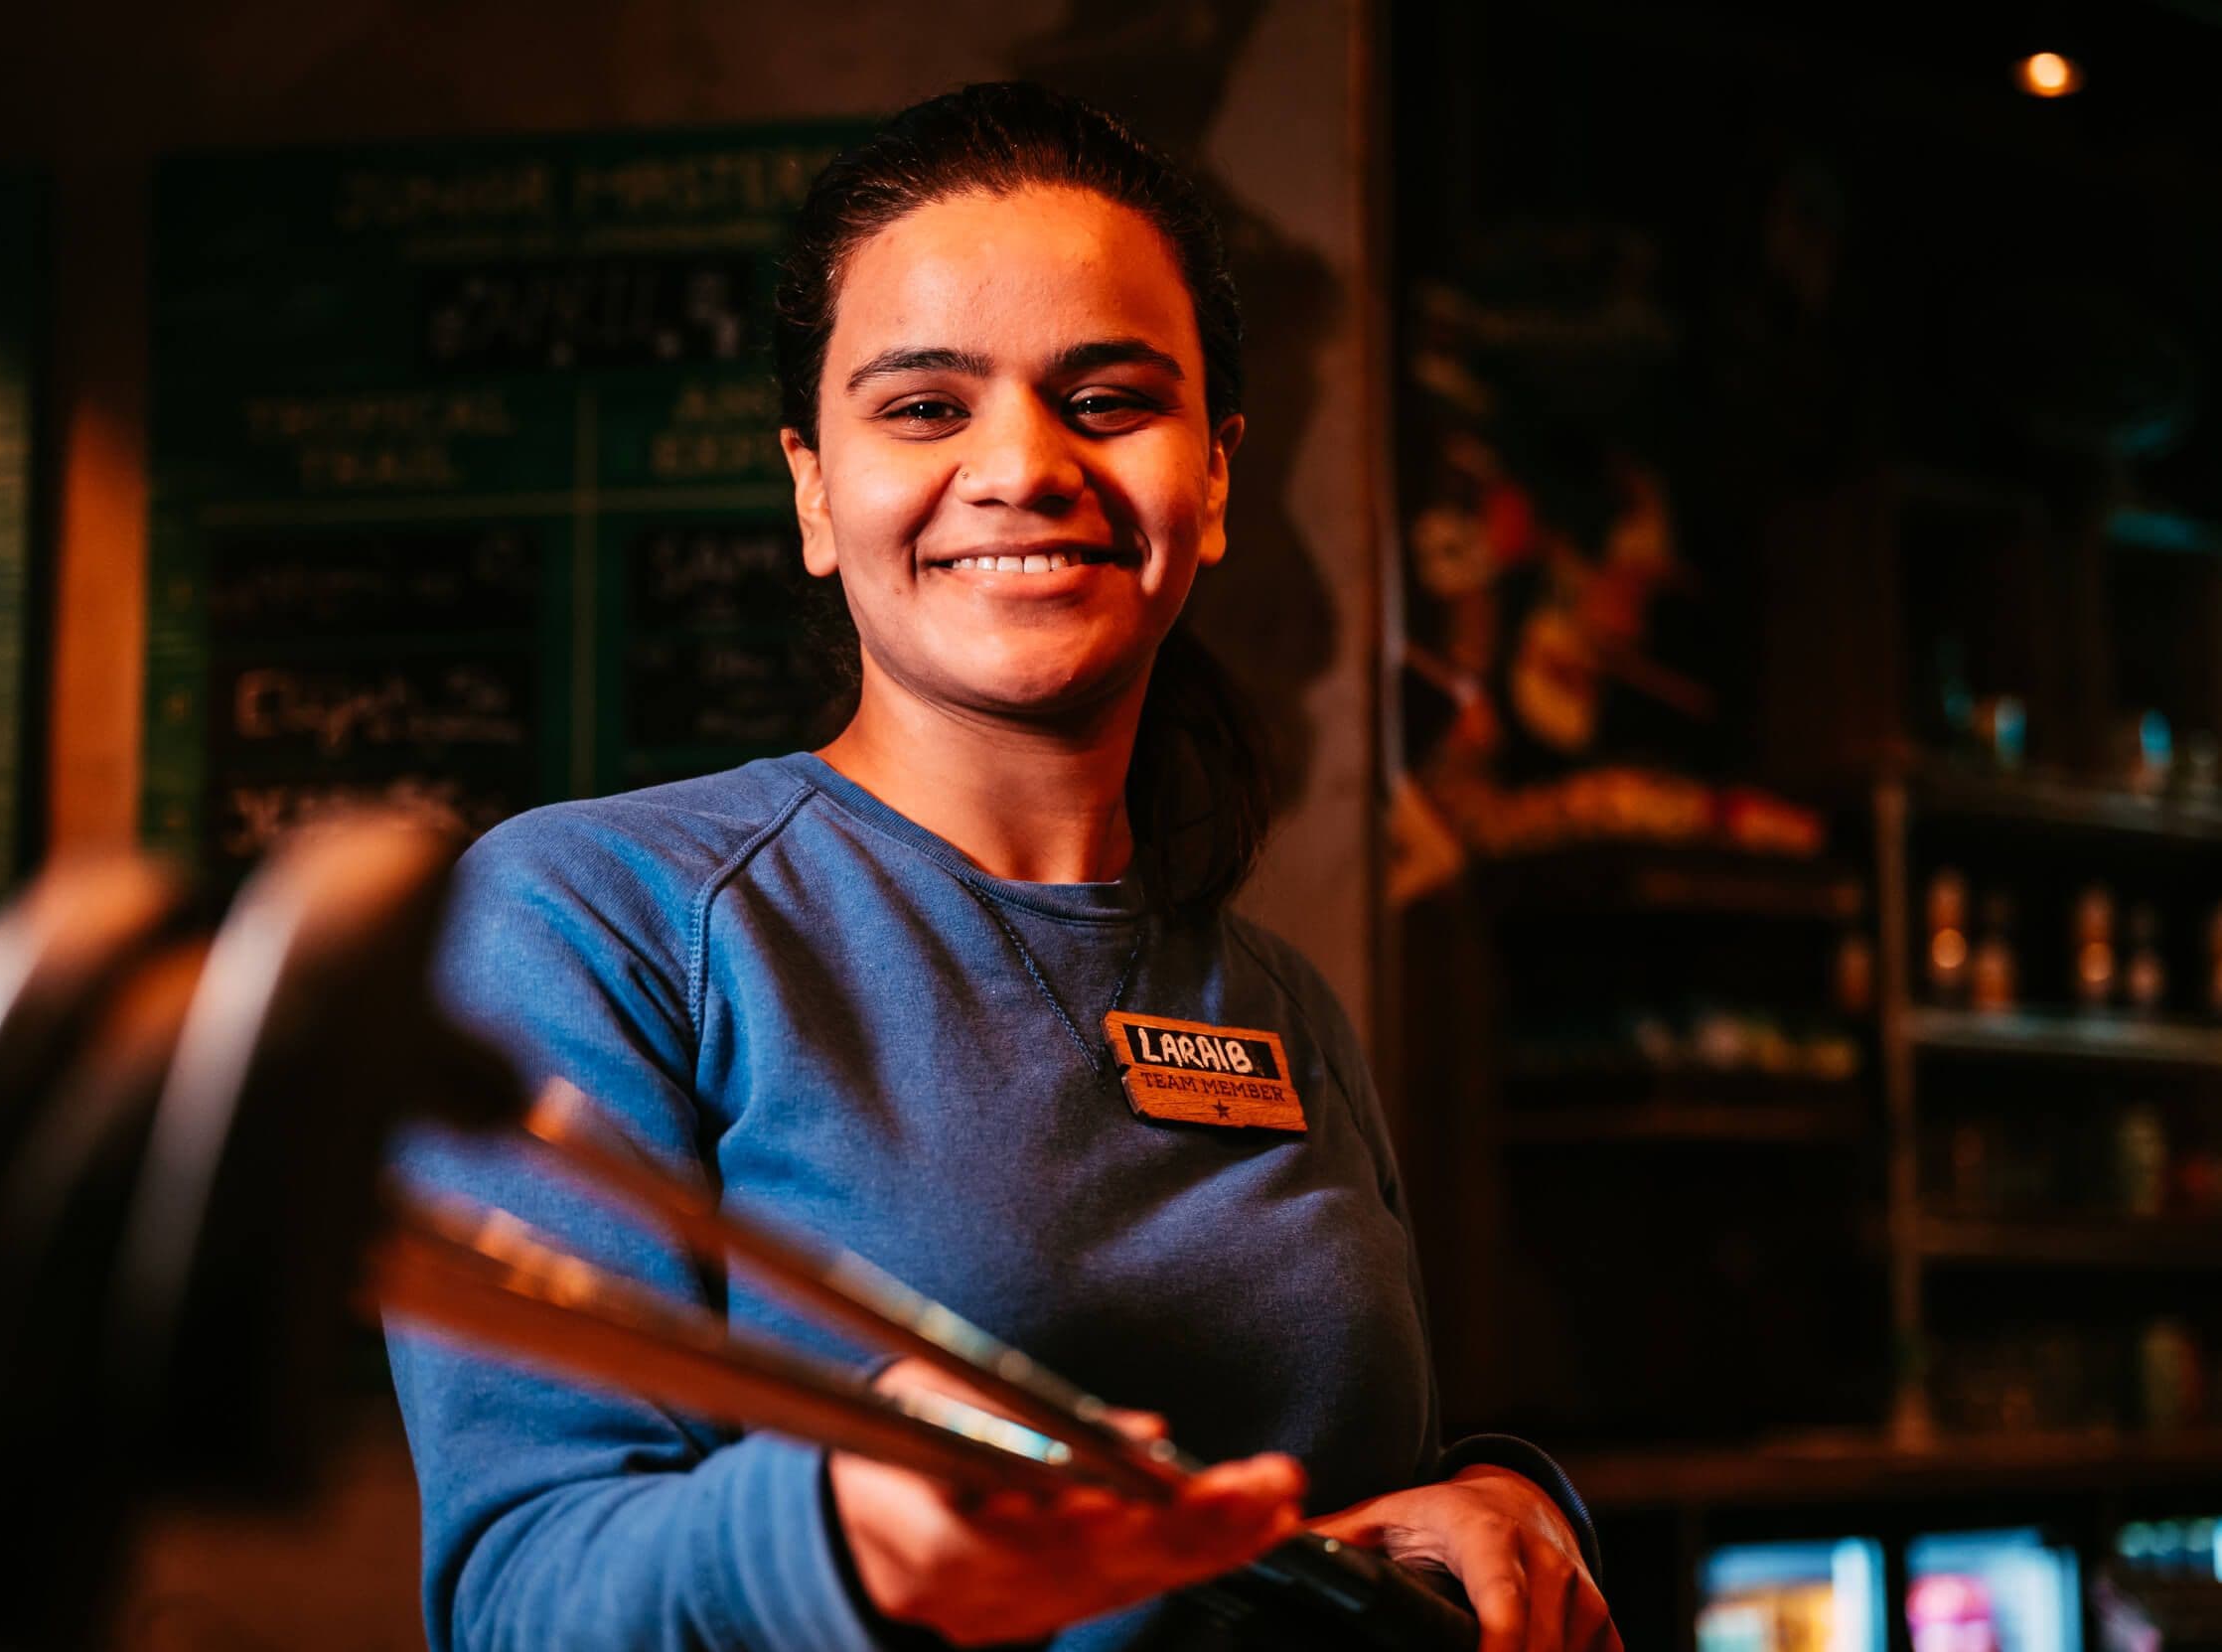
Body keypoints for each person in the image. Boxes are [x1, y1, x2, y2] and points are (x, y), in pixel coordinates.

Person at [388, 83, 1620, 1652]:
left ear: (1216, 477)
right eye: (924, 407)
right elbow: (521, 1601)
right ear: (814, 490)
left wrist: (1491, 1501)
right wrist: (836, 1538)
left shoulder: (1283, 1006)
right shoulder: (598, 923)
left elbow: (1304, 1510)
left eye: (1108, 397)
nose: (1026, 465)